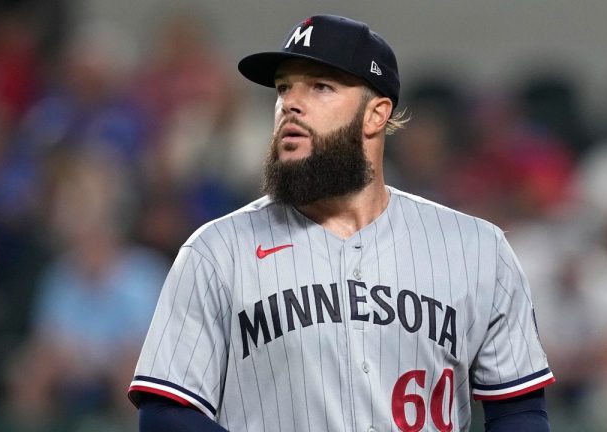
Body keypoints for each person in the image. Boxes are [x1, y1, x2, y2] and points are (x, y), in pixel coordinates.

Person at [127, 14, 555, 432]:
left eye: (320, 86)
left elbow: (518, 411)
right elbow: (167, 414)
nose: (290, 103)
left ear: (376, 115)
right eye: (283, 88)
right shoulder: (216, 251)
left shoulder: (476, 248)